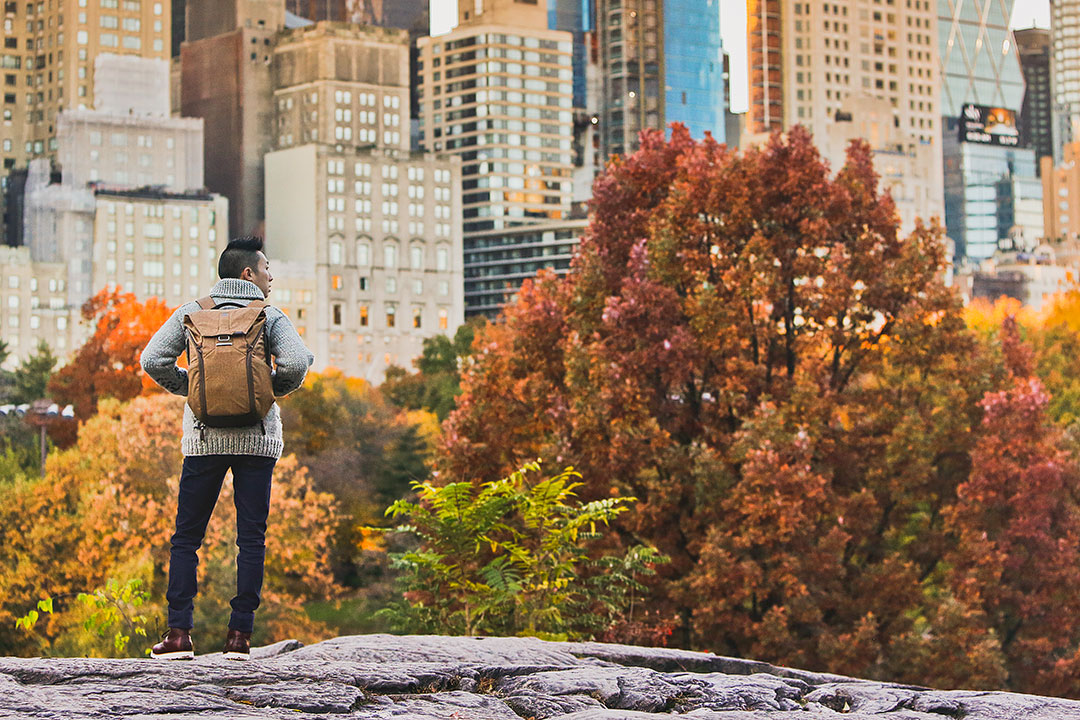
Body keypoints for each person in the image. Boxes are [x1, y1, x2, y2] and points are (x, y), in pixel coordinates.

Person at [140, 235, 313, 660]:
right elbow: (296, 362)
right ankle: (239, 638)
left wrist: (193, 392)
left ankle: (179, 635)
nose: (272, 275)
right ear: (247, 274)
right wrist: (266, 394)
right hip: (257, 441)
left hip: (203, 441)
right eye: (267, 267)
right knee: (250, 538)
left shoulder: (190, 313)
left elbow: (151, 360)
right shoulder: (270, 315)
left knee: (186, 539)